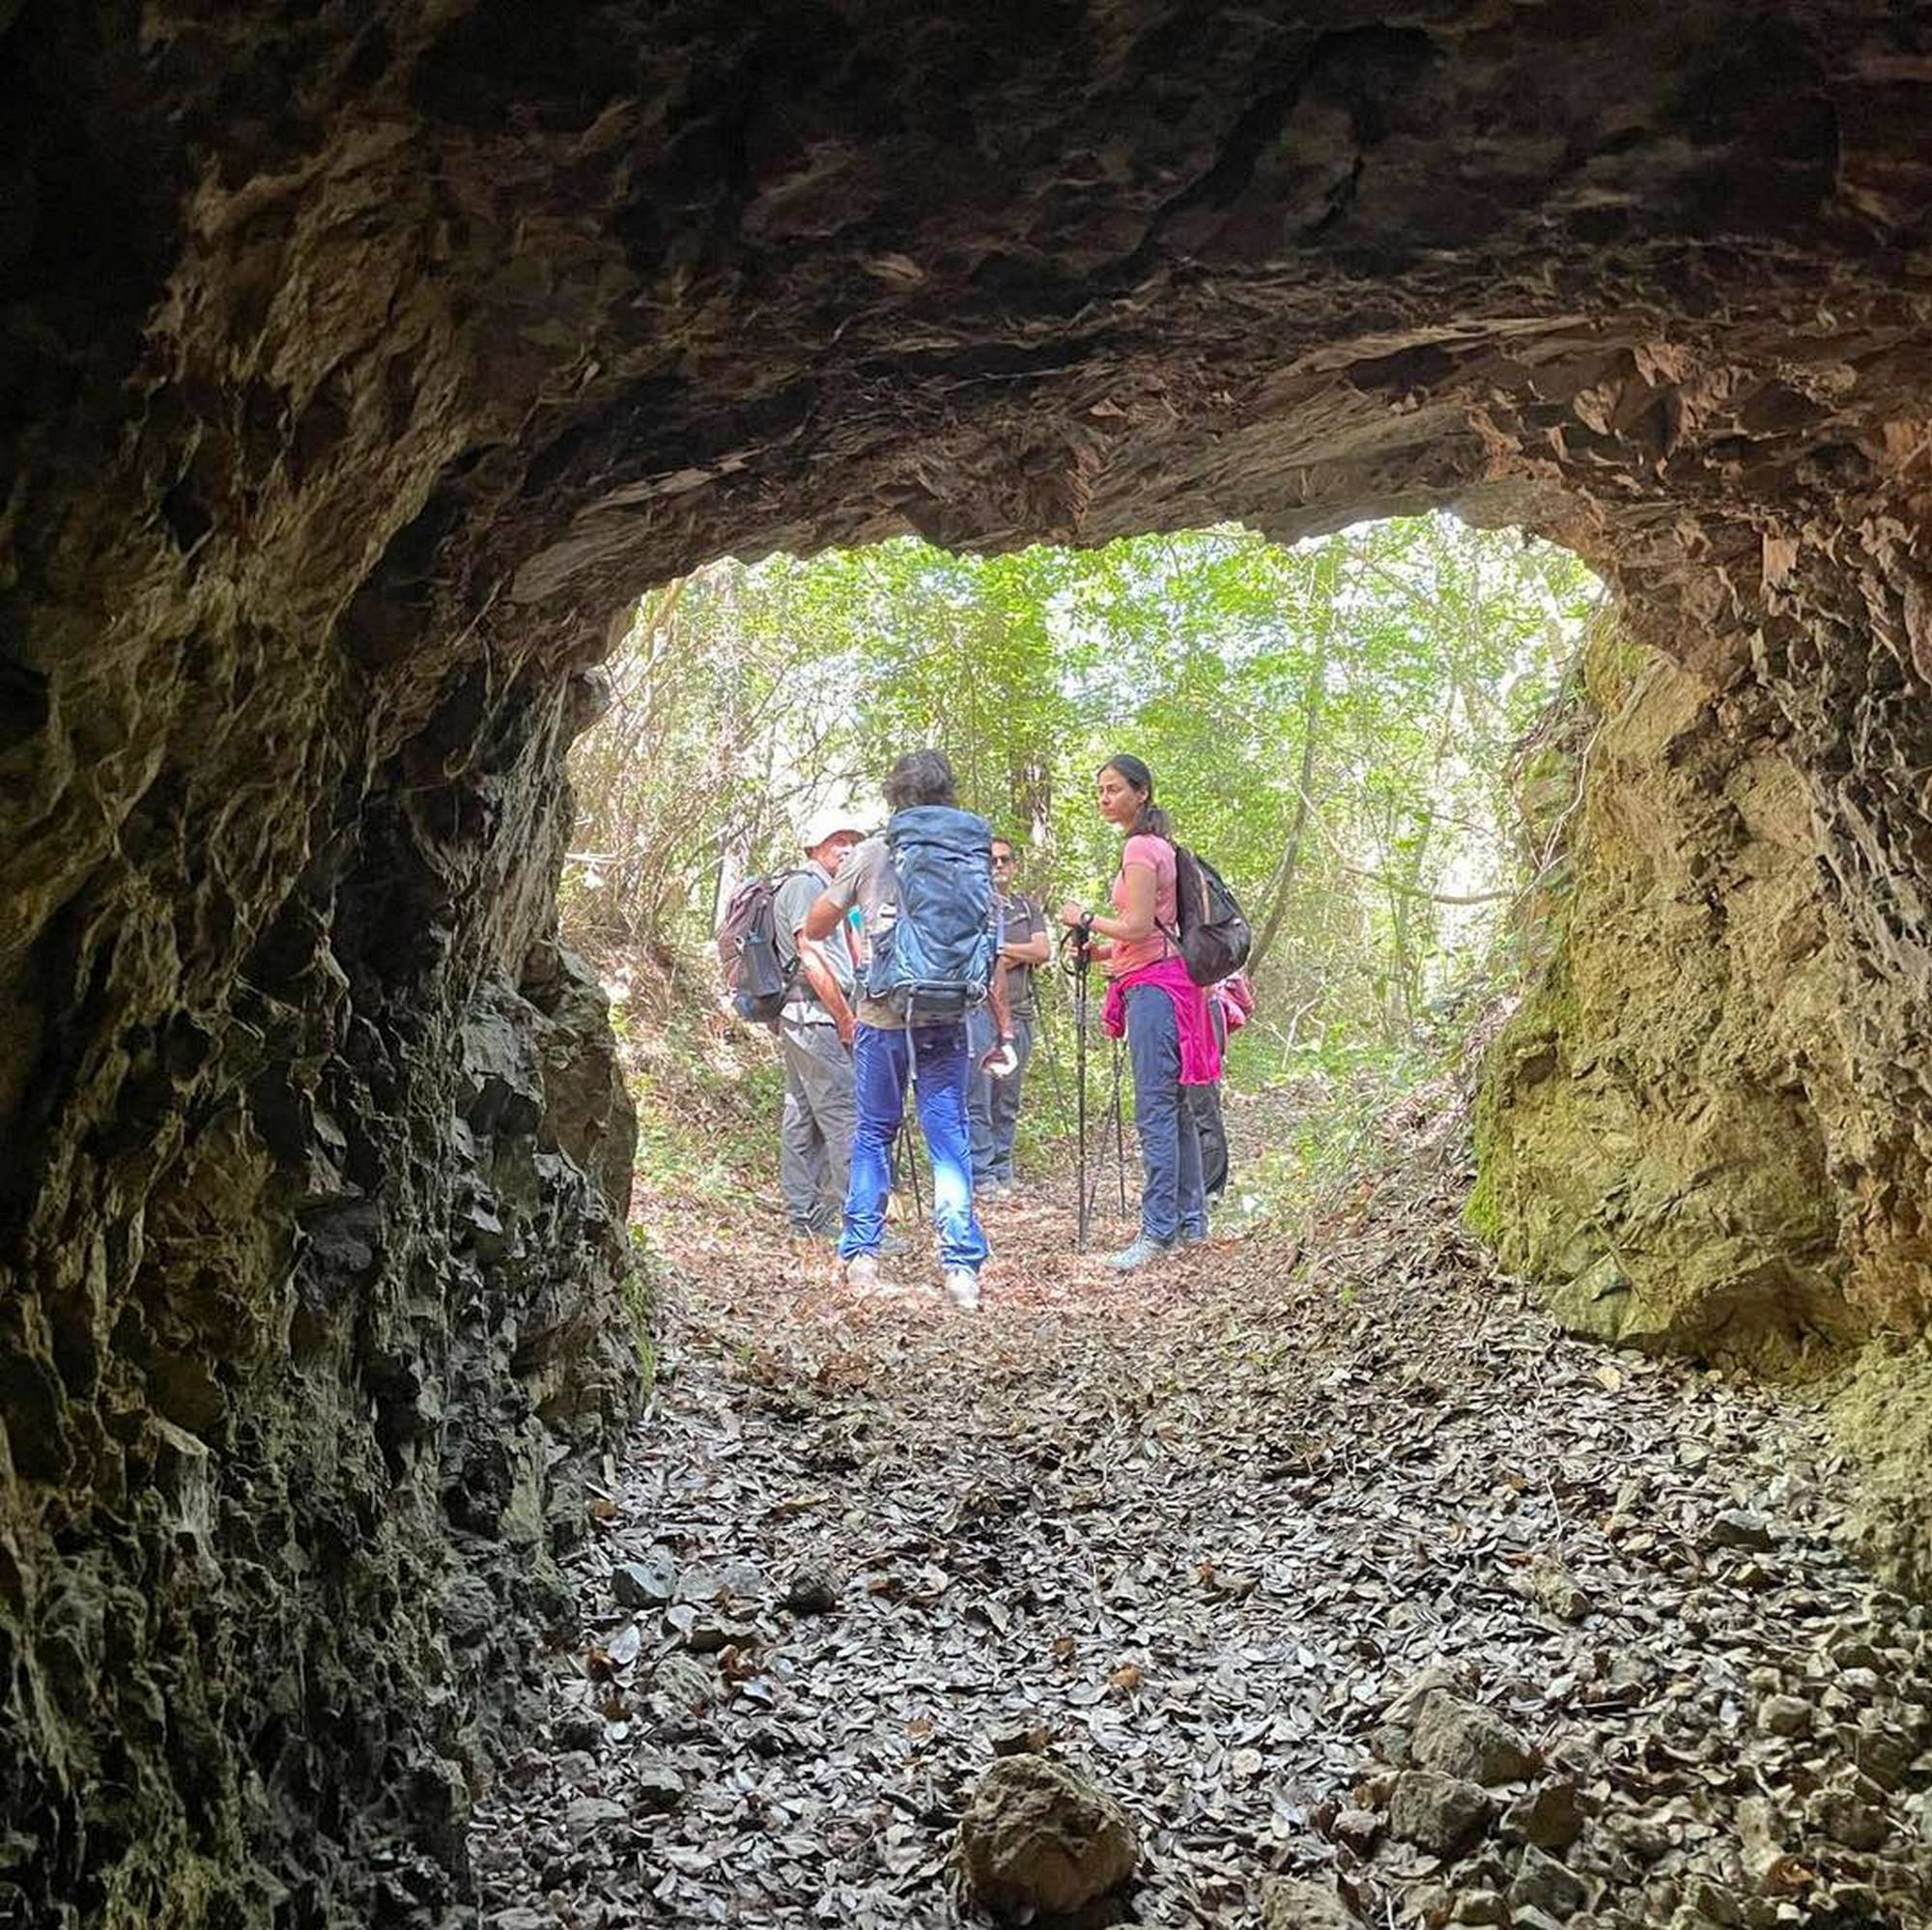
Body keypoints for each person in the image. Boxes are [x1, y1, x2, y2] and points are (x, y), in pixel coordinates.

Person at [802, 751, 1011, 1311]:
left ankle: (862, 1256)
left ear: (895, 795)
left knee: (874, 1131)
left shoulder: (874, 852)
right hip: (948, 1012)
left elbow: (816, 924)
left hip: (882, 1013)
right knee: (949, 1134)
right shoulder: (971, 853)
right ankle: (961, 1267)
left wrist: (858, 913)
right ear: (949, 794)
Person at [1058, 754, 1220, 1269]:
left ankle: (1157, 1231)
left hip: (1157, 992)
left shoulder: (1139, 848)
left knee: (1155, 1108)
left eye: (1114, 789)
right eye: (1099, 791)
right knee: (1175, 1107)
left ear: (1142, 793)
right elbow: (1151, 934)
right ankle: (1192, 1221)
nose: (1105, 798)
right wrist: (1101, 953)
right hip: (1167, 983)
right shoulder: (1159, 847)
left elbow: (1137, 926)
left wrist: (1083, 918)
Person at [770, 808, 862, 1239]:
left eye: (850, 841)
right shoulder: (807, 885)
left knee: (802, 1114)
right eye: (836, 841)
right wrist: (844, 1017)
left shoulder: (826, 888)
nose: (846, 848)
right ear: (813, 847)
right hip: (816, 1014)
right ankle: (857, 1220)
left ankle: (806, 1216)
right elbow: (810, 956)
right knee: (844, 1114)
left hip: (805, 1016)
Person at [967, 837, 1050, 1198]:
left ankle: (1003, 1167)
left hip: (1020, 1013)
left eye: (1005, 860)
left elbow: (1042, 950)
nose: (998, 866)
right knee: (979, 1096)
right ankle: (981, 1172)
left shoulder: (1026, 908)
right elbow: (973, 956)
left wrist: (1000, 951)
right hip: (979, 1013)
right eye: (991, 860)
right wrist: (1012, 956)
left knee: (1008, 1096)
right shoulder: (971, 907)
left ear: (1014, 865)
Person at [1188, 970, 1253, 1207]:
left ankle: (1209, 1191)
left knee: (1202, 1103)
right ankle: (1193, 1188)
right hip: (1180, 999)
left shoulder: (1201, 933)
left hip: (1203, 1001)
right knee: (1183, 1105)